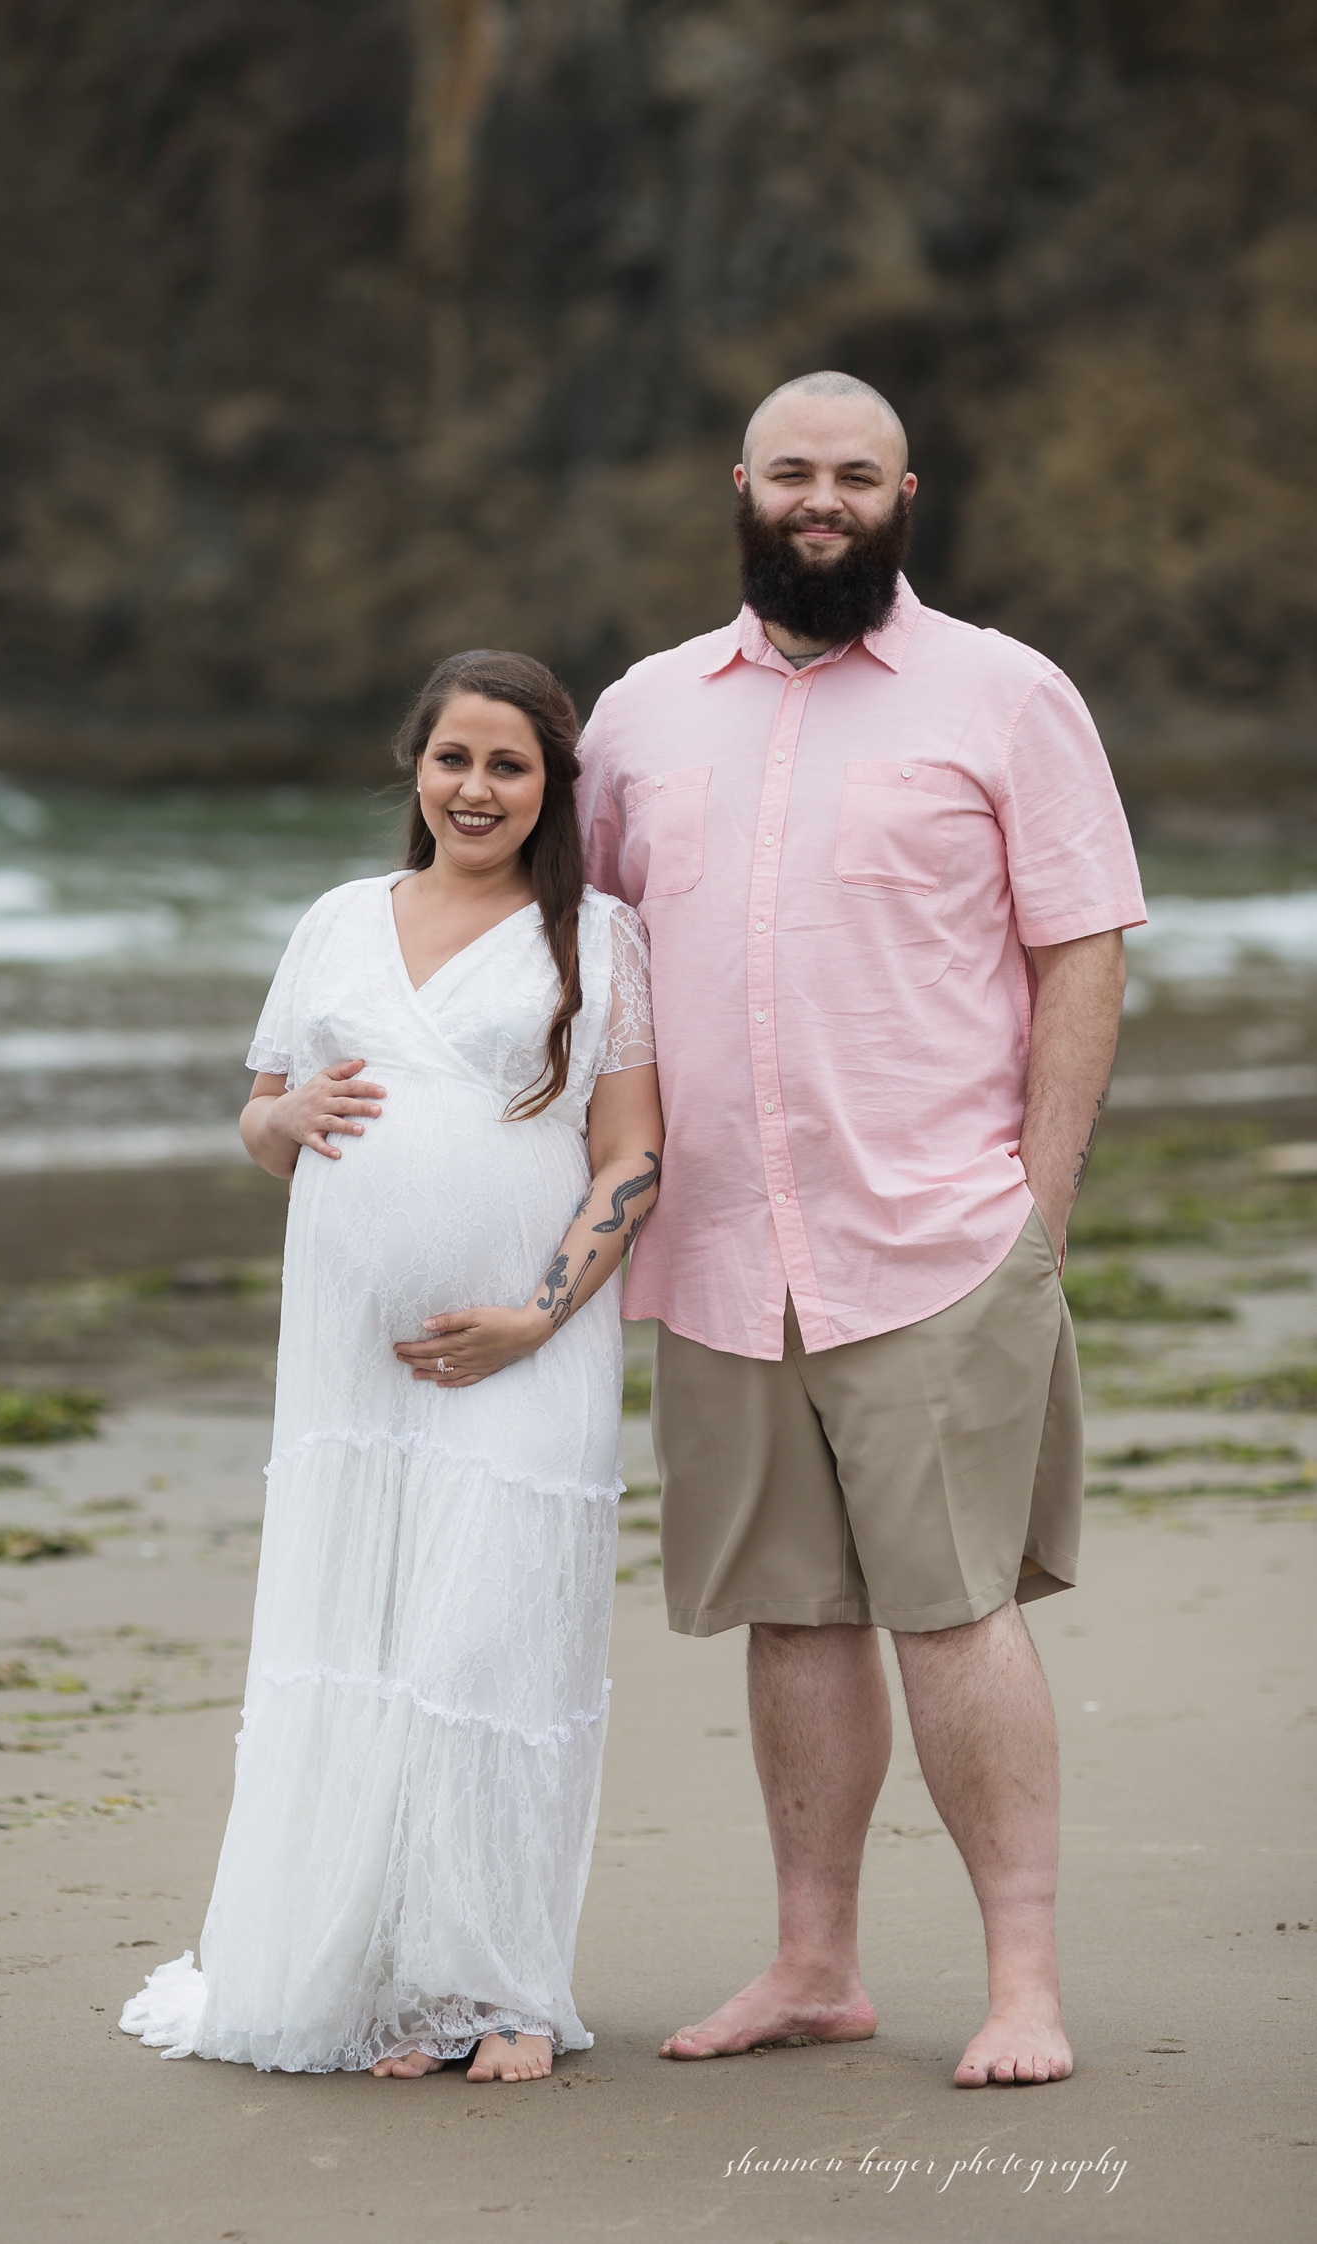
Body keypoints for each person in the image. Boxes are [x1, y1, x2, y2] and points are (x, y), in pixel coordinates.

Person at [577, 371, 1146, 2089]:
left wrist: (1037, 1209)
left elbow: (1083, 948)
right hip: (724, 1254)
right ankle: (814, 1963)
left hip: (939, 1238)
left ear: (909, 494)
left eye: (856, 475)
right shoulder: (639, 716)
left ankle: (1025, 1983)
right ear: (741, 485)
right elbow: (591, 966)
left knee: (956, 1607)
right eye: (793, 472)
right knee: (793, 1613)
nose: (821, 499)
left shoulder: (1008, 694)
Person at [120, 650, 662, 2084]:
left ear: (551, 791)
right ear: (415, 771)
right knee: (367, 1650)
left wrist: (535, 1317)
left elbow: (632, 1154)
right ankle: (397, 1986)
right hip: (351, 1372)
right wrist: (284, 1108)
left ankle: (506, 1990)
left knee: (491, 1646)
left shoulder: (594, 938)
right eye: (454, 760)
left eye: (509, 766)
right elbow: (260, 1123)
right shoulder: (340, 922)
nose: (476, 789)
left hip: (526, 1349)